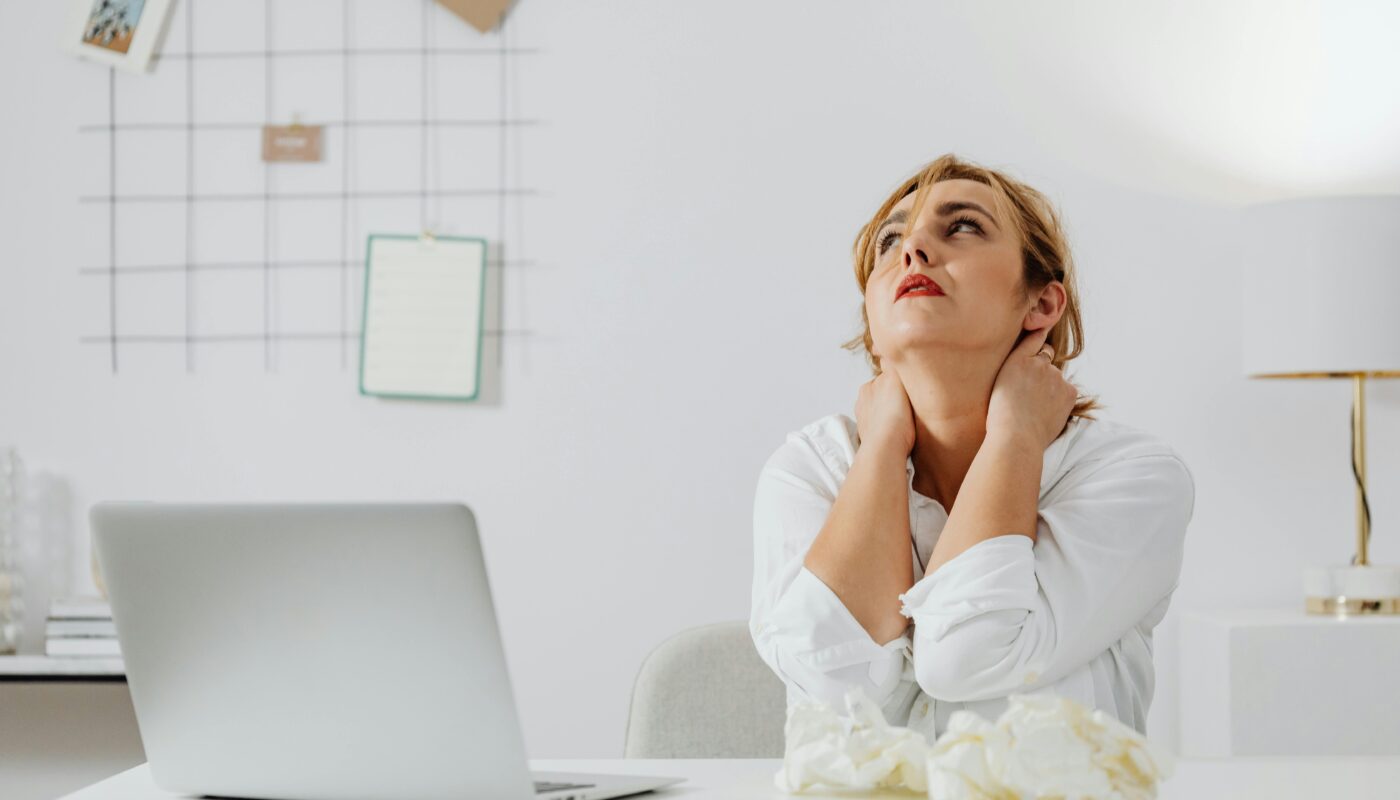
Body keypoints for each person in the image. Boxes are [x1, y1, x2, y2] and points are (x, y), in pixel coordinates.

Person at [749, 153, 1195, 739]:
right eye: (890, 241)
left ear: (1041, 304)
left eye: (962, 226)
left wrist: (1015, 435)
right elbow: (831, 684)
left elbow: (965, 657)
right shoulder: (811, 468)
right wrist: (882, 443)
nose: (913, 250)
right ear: (872, 322)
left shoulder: (1132, 478)